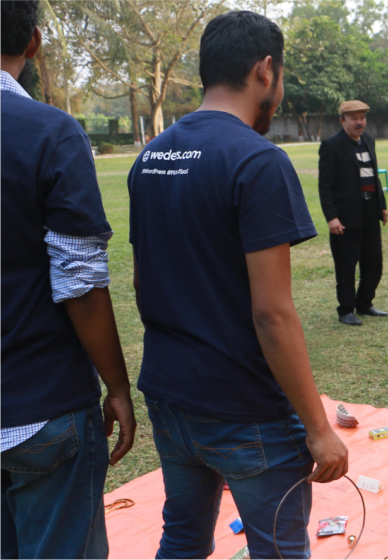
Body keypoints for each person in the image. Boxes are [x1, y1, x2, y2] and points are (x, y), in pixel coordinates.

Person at [127, 12, 349, 559]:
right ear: (265, 71)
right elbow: (272, 314)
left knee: (182, 538)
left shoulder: (150, 157)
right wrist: (318, 428)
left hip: (170, 394)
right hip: (243, 406)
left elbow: (144, 279)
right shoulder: (257, 161)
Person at [0, 1, 136, 556]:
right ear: (33, 42)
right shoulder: (48, 133)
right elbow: (79, 281)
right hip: (41, 405)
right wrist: (120, 388)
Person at [319, 100, 388, 326]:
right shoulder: (331, 146)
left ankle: (365, 303)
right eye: (354, 118)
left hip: (370, 211)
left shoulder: (368, 141)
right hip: (346, 215)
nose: (359, 123)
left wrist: (382, 205)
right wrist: (331, 217)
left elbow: (374, 177)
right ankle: (346, 309)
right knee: (346, 264)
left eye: (362, 118)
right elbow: (325, 185)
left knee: (373, 262)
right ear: (342, 121)